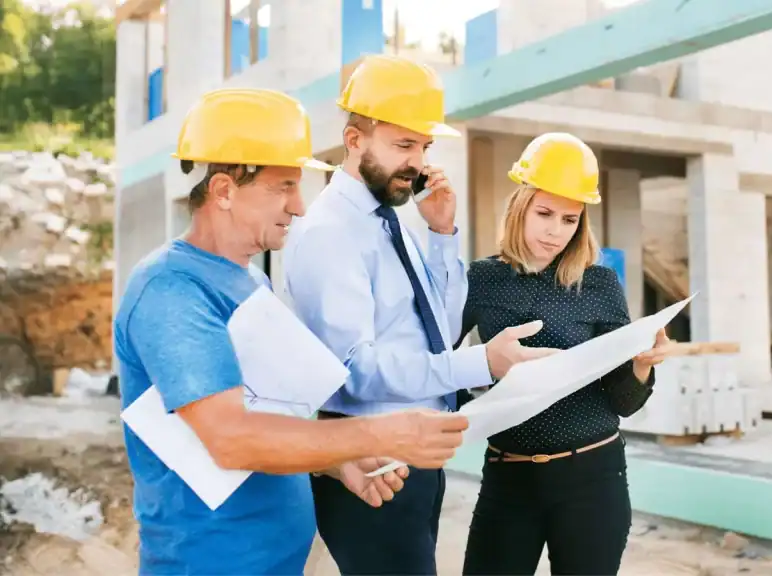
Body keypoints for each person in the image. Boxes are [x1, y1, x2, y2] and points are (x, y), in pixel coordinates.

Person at [114, 87, 470, 576]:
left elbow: (269, 412)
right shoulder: (172, 289)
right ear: (223, 191)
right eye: (283, 187)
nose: (299, 206)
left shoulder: (249, 278)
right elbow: (232, 438)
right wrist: (384, 432)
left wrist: (338, 462)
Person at [282, 54, 556, 576]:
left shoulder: (393, 220)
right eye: (403, 144)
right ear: (355, 140)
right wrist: (480, 365)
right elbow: (355, 370)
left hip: (414, 455)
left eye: (424, 146)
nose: (417, 161)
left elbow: (442, 325)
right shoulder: (330, 233)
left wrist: (442, 233)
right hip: (370, 458)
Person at [457, 132, 675, 576]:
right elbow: (443, 368)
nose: (555, 230)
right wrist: (476, 401)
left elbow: (624, 403)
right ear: (520, 206)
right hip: (508, 476)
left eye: (570, 219)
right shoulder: (480, 280)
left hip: (592, 479)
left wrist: (639, 366)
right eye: (544, 214)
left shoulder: (598, 284)